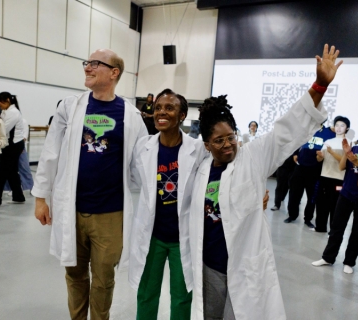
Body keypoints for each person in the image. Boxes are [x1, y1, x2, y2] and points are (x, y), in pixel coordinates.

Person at [189, 44, 341, 320]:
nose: (227, 145)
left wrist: (319, 86)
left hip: (245, 265)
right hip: (209, 265)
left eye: (230, 137)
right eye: (218, 140)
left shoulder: (254, 156)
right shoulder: (201, 168)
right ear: (207, 144)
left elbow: (287, 130)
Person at [32, 49, 147, 320]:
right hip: (71, 208)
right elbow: (51, 153)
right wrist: (40, 198)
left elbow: (143, 163)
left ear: (114, 72)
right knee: (74, 272)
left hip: (110, 213)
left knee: (104, 276)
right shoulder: (69, 107)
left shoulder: (131, 115)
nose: (88, 67)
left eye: (95, 64)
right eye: (87, 63)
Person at [129, 88, 207, 319]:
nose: (161, 112)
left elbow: (222, 174)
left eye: (169, 108)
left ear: (182, 115)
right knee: (146, 293)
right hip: (152, 236)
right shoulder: (143, 148)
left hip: (182, 238)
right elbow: (132, 179)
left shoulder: (198, 149)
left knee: (182, 297)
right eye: (159, 108)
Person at [312, 122, 358, 274]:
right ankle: (328, 257)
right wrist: (347, 154)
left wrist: (355, 160)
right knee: (336, 227)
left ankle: (349, 262)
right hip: (346, 193)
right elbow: (341, 167)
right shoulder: (355, 147)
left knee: (357, 231)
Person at [284, 123, 335, 227]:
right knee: (294, 194)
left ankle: (308, 218)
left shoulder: (329, 133)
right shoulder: (305, 129)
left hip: (316, 169)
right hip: (300, 166)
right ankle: (292, 215)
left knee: (312, 196)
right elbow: (296, 143)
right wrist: (295, 154)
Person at [314, 116, 350, 232]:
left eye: (342, 125)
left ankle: (333, 230)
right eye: (337, 125)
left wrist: (332, 152)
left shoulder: (349, 143)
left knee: (335, 205)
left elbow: (345, 162)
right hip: (325, 176)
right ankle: (320, 227)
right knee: (321, 203)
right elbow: (320, 160)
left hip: (339, 178)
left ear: (347, 128)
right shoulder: (328, 141)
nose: (339, 128)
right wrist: (319, 156)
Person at [0, 92, 26, 205]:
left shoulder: (13, 112)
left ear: (7, 100)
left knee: (2, 172)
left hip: (13, 145)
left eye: (0, 101)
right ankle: (18, 196)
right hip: (10, 144)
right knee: (12, 172)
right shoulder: (5, 111)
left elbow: (4, 129)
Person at [4, 118, 33, 194]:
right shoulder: (5, 120)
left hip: (19, 147)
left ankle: (31, 187)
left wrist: (20, 147)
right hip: (7, 147)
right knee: (9, 169)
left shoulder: (23, 121)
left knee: (24, 167)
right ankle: (11, 188)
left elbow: (24, 136)